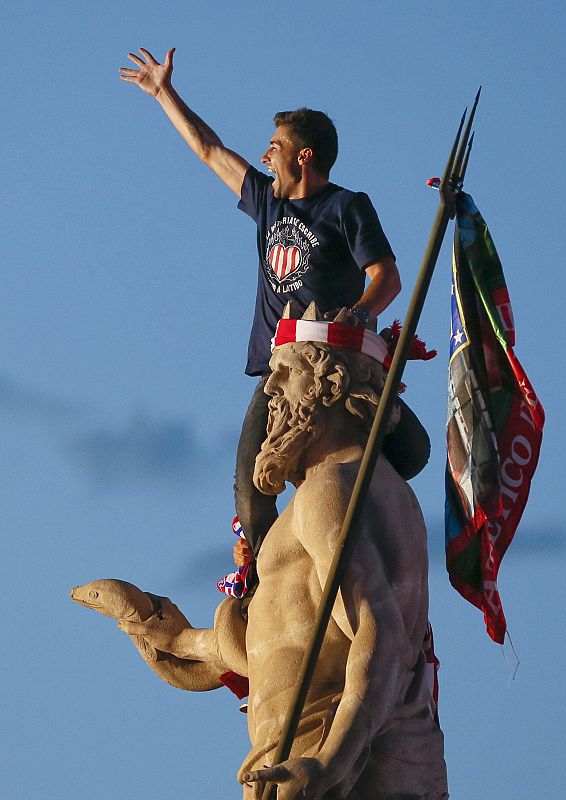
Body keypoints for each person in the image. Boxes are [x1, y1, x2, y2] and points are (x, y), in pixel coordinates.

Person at [115, 315, 448, 799]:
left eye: (286, 371)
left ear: (330, 386)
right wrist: (184, 642)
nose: (271, 388)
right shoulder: (367, 490)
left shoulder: (329, 494)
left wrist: (329, 762)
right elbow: (296, 637)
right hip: (337, 759)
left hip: (331, 765)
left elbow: (382, 639)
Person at [119, 47, 430, 558]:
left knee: (413, 450)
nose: (266, 155)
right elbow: (210, 151)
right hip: (280, 370)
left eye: (274, 146)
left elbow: (387, 277)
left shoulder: (346, 206)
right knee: (249, 483)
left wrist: (358, 314)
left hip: (335, 364)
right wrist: (164, 94)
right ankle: (265, 584)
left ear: (303, 155)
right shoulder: (268, 201)